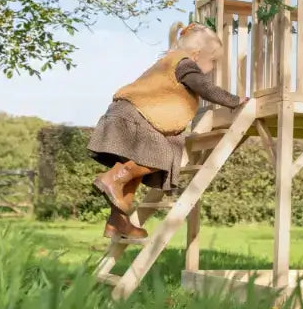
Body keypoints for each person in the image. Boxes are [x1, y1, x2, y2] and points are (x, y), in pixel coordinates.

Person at [88, 22, 247, 240]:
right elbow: (205, 88)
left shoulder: (166, 64)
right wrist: (235, 100)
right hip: (137, 115)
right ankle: (113, 179)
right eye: (212, 61)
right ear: (197, 54)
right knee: (163, 154)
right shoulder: (184, 64)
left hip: (125, 113)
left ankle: (118, 222)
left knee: (136, 170)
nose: (212, 68)